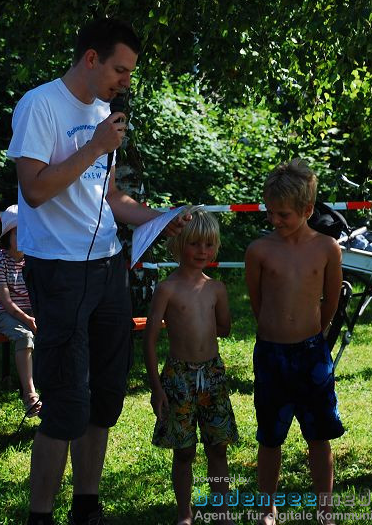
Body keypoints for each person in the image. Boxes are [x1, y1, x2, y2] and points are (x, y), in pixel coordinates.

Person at [8, 17, 188, 525]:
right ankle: (39, 514)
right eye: (120, 70)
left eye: (129, 73)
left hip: (108, 268)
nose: (124, 82)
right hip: (60, 273)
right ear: (91, 58)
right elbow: (35, 190)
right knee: (66, 401)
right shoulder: (39, 105)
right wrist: (93, 147)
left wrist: (158, 219)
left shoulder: (106, 111)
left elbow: (107, 198)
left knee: (105, 396)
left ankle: (87, 506)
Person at [244, 159, 345, 525]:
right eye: (270, 213)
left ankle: (324, 508)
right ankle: (267, 507)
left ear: (307, 210)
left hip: (311, 354)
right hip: (271, 354)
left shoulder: (327, 248)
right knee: (270, 436)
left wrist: (316, 332)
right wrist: (274, 330)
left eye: (283, 215)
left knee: (319, 435)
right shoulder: (259, 250)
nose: (275, 221)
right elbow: (257, 301)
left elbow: (331, 300)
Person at [144, 207, 239, 525]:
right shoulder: (166, 288)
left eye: (209, 245)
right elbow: (150, 339)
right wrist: (156, 386)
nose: (203, 251)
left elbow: (224, 328)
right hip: (178, 377)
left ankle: (221, 512)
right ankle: (185, 514)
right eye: (195, 244)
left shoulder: (216, 288)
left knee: (218, 447)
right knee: (183, 451)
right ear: (177, 245)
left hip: (212, 375)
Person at [0, 204, 40, 418]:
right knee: (24, 336)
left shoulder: (34, 259)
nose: (25, 235)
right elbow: (6, 303)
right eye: (19, 231)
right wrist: (29, 319)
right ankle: (30, 396)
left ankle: (56, 387)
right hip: (4, 314)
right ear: (8, 235)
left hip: (29, 312)